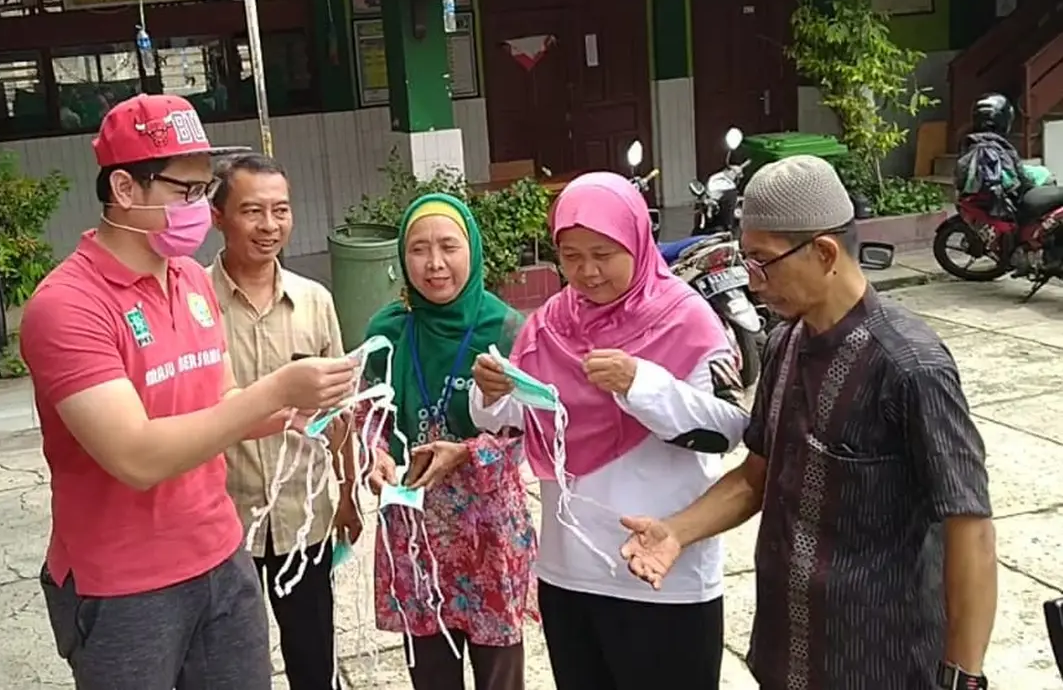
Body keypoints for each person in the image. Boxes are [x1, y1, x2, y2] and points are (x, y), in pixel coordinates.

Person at [619, 155, 998, 690]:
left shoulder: (911, 365)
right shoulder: (784, 343)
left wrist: (962, 677)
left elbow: (970, 527)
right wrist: (676, 532)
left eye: (762, 262)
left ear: (823, 252)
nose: (752, 282)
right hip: (788, 656)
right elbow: (758, 475)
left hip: (882, 665)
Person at [19, 94, 357, 690]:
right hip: (124, 583)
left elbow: (222, 406)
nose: (200, 209)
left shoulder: (187, 282)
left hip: (221, 557)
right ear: (124, 188)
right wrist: (274, 389)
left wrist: (301, 406)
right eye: (187, 191)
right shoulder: (68, 306)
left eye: (204, 192)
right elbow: (136, 456)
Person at [472, 171, 750, 690]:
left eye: (603, 253)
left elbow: (729, 429)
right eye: (572, 256)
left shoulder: (688, 320)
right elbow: (520, 418)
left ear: (637, 242)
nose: (588, 271)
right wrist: (492, 392)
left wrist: (641, 382)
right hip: (569, 569)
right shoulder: (551, 324)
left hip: (662, 575)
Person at [357, 193, 535, 690]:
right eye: (418, 249)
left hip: (487, 533)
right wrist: (374, 454)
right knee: (430, 671)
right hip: (414, 531)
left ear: (472, 251)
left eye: (449, 247)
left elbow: (528, 434)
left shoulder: (503, 329)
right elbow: (371, 414)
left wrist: (468, 452)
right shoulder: (386, 331)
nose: (434, 264)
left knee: (499, 674)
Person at [207, 152, 361, 690]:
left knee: (313, 657)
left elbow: (340, 409)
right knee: (229, 666)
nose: (269, 226)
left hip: (304, 514)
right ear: (217, 216)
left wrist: (347, 493)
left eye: (281, 210)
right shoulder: (192, 304)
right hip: (223, 522)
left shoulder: (316, 301)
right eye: (252, 211)